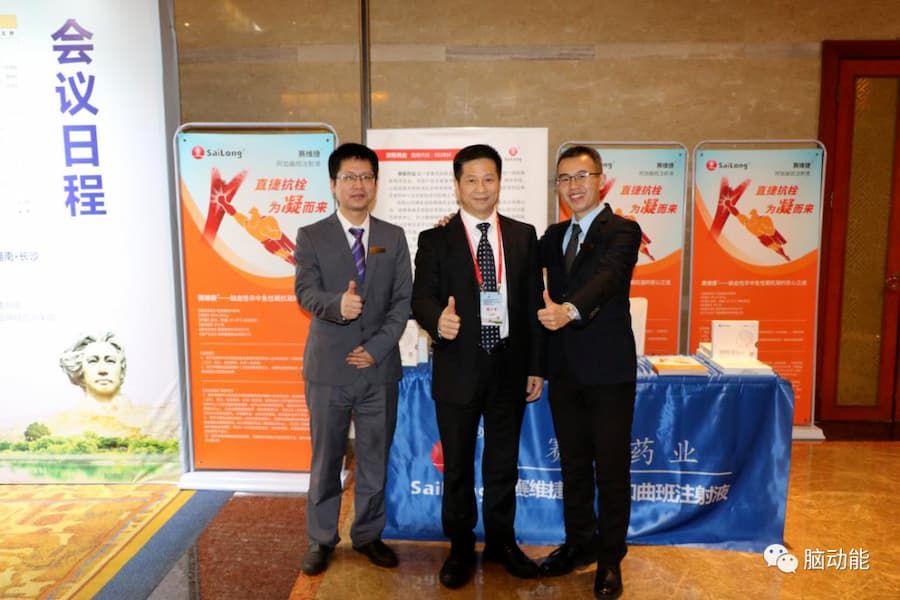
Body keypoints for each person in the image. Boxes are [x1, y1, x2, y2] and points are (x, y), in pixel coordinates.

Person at [411, 144, 545, 589]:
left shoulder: (523, 236)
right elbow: (420, 297)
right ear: (457, 186)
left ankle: (503, 543)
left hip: (509, 368)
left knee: (503, 464)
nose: (481, 188)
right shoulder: (435, 239)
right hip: (458, 370)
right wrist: (437, 320)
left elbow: (532, 304)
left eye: (489, 178)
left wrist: (536, 366)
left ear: (500, 182)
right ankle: (460, 547)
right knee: (458, 467)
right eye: (471, 180)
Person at [294, 143, 412, 576]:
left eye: (366, 177)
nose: (358, 185)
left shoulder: (393, 237)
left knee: (375, 456)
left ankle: (367, 534)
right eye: (349, 177)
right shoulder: (311, 235)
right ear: (333, 184)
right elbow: (305, 291)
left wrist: (376, 348)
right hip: (328, 369)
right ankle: (321, 538)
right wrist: (335, 305)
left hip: (378, 369)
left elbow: (403, 301)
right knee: (327, 458)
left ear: (375, 184)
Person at [536, 145, 641, 599]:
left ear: (601, 180)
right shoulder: (554, 234)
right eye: (564, 178)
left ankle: (611, 558)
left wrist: (570, 309)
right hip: (565, 371)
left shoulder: (623, 230)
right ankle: (579, 544)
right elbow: (515, 257)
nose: (573, 186)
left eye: (581, 176)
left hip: (608, 370)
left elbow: (608, 278)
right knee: (574, 466)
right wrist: (454, 226)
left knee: (611, 469)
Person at [56, 332, 175, 439]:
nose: (102, 370)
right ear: (79, 370)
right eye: (93, 361)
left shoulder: (153, 419)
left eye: (110, 361)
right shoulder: (61, 425)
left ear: (121, 369)